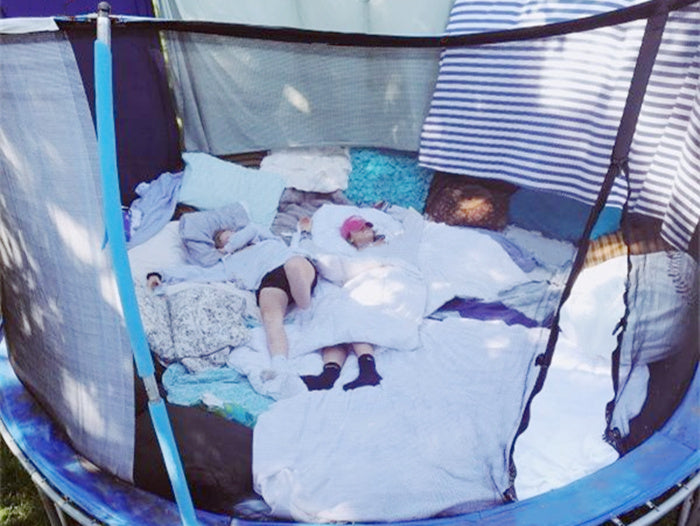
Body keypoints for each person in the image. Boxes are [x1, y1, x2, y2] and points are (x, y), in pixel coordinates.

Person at [296, 215, 383, 391]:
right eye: (360, 228)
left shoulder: (387, 245)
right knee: (332, 314)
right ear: (350, 237)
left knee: (351, 310)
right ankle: (329, 376)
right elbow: (315, 253)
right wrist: (305, 233)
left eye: (368, 225)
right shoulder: (346, 254)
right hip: (349, 288)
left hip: (377, 288)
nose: (366, 228)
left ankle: (368, 370)